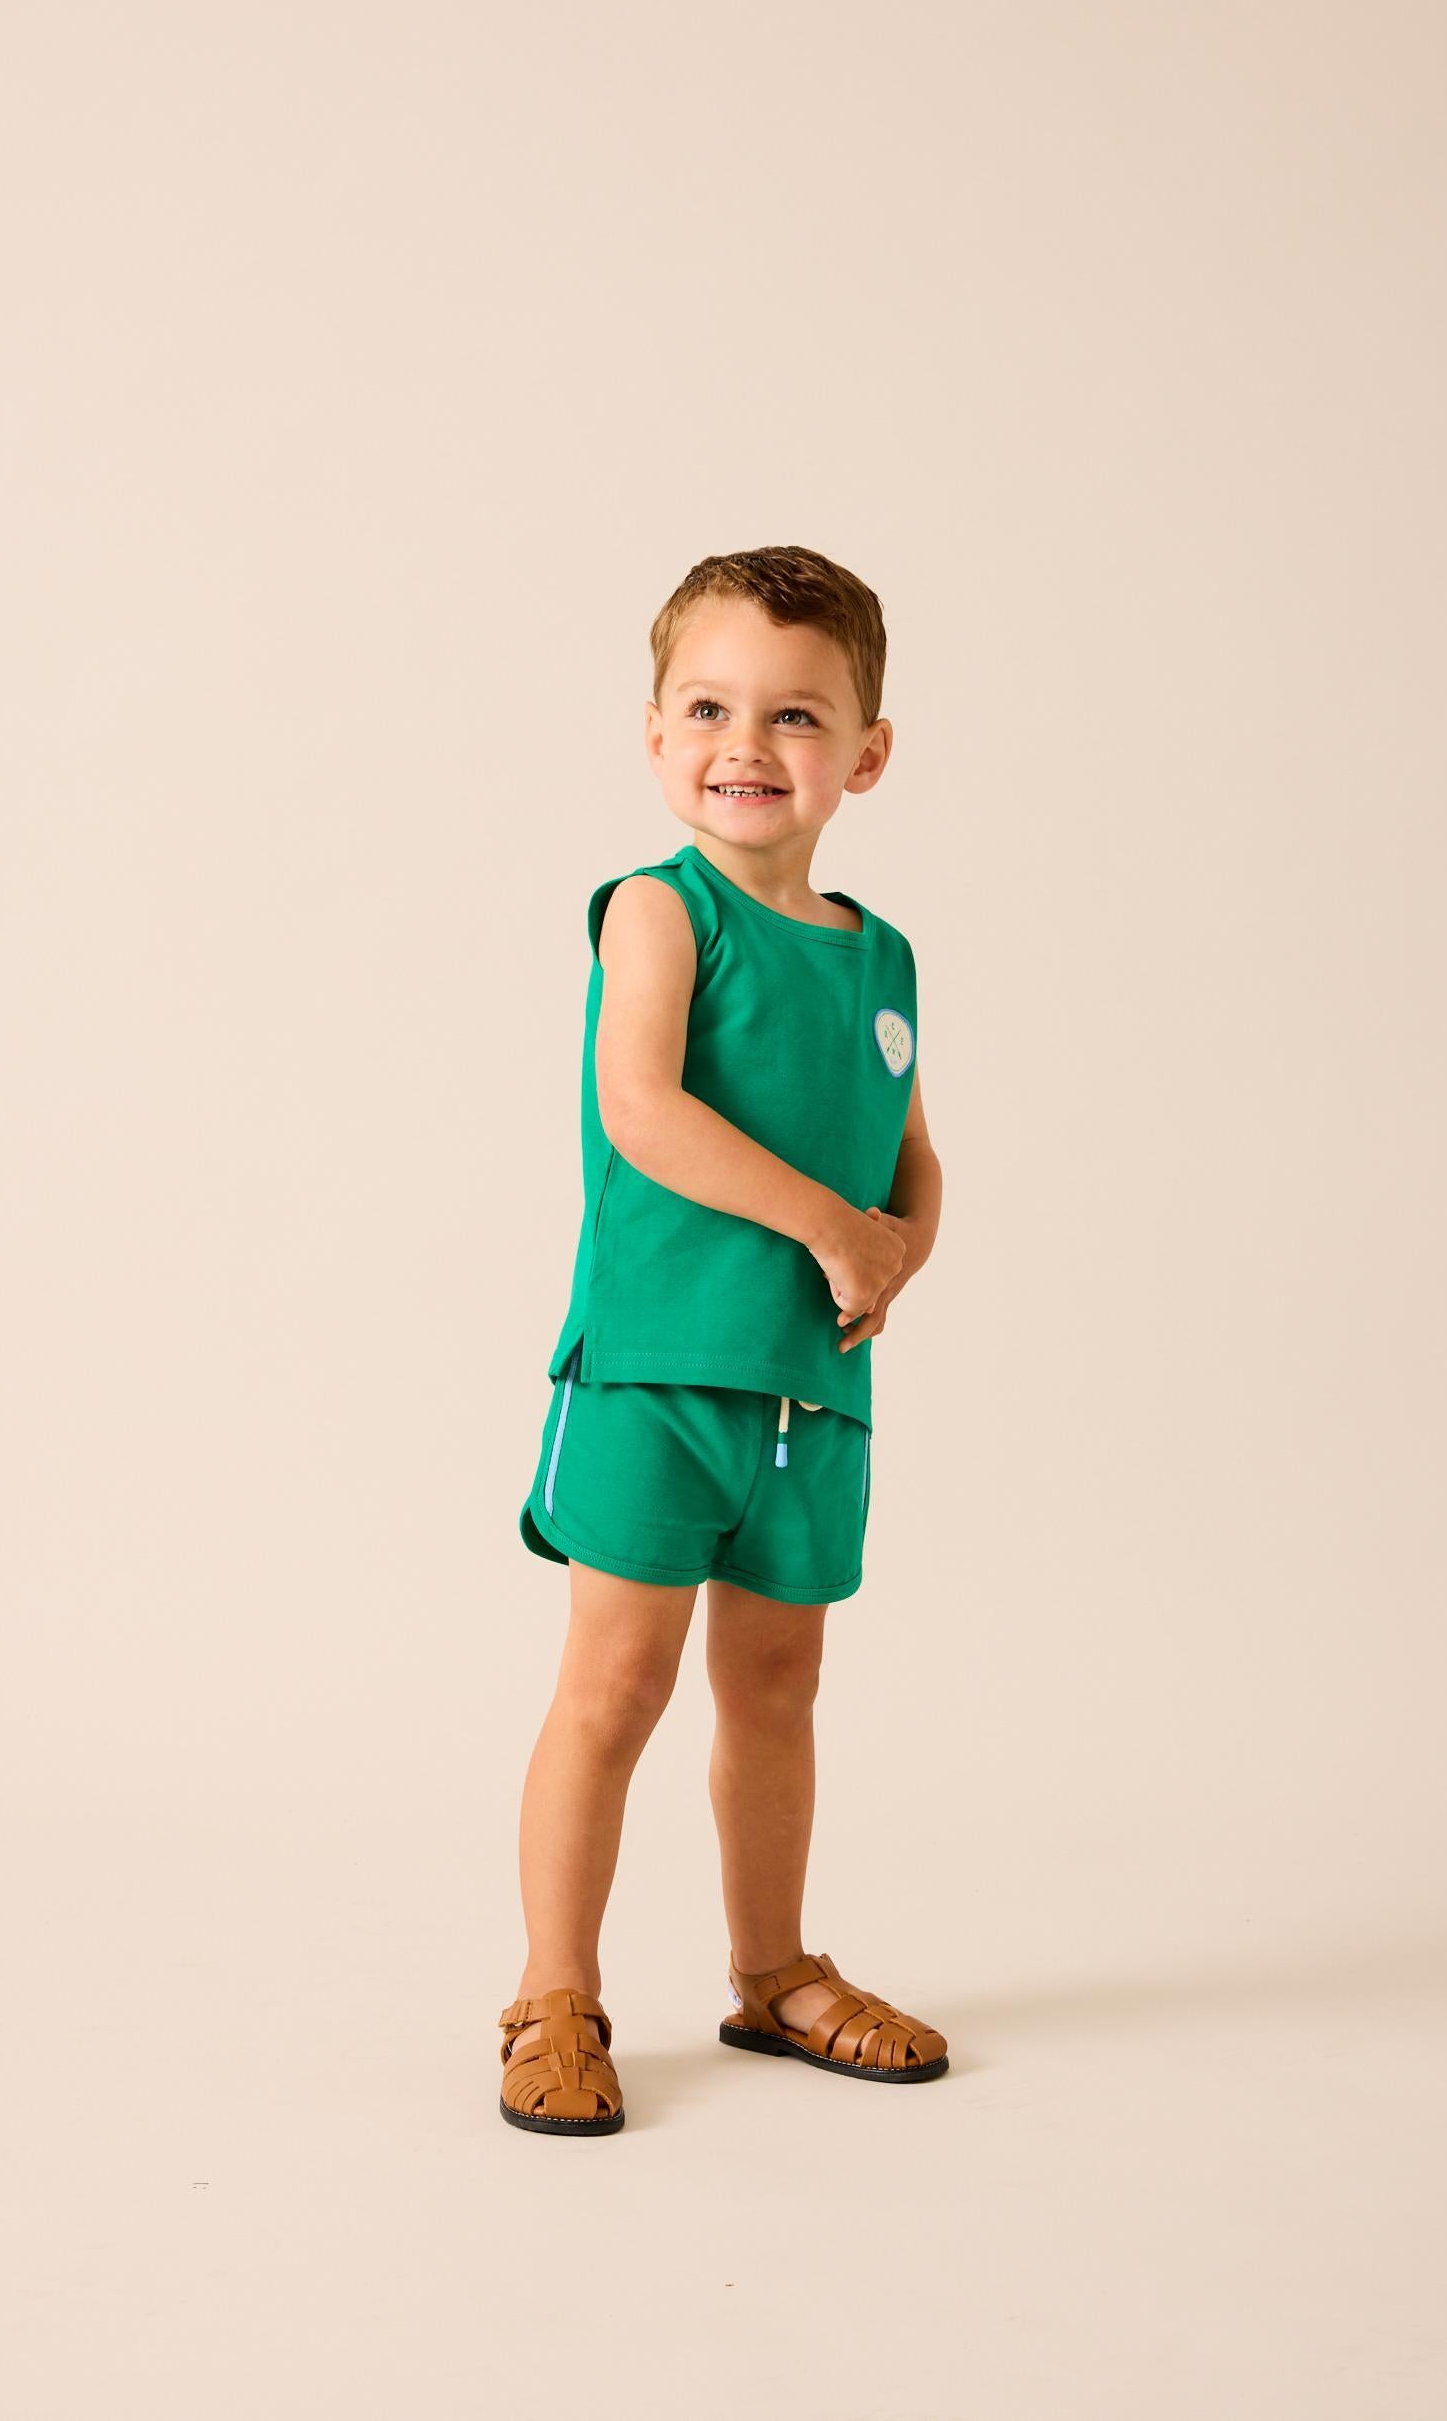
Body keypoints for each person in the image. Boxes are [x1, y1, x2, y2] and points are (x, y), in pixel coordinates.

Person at [498, 545, 950, 2135]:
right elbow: (643, 1108)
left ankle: (773, 1972)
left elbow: (909, 1152)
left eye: (795, 715)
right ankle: (555, 1991)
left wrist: (897, 1246)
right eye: (707, 708)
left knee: (778, 1686)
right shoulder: (658, 911)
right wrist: (832, 1228)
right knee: (616, 1686)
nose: (745, 745)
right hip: (656, 1377)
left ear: (865, 754)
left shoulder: (881, 956)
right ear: (654, 733)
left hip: (810, 1397)